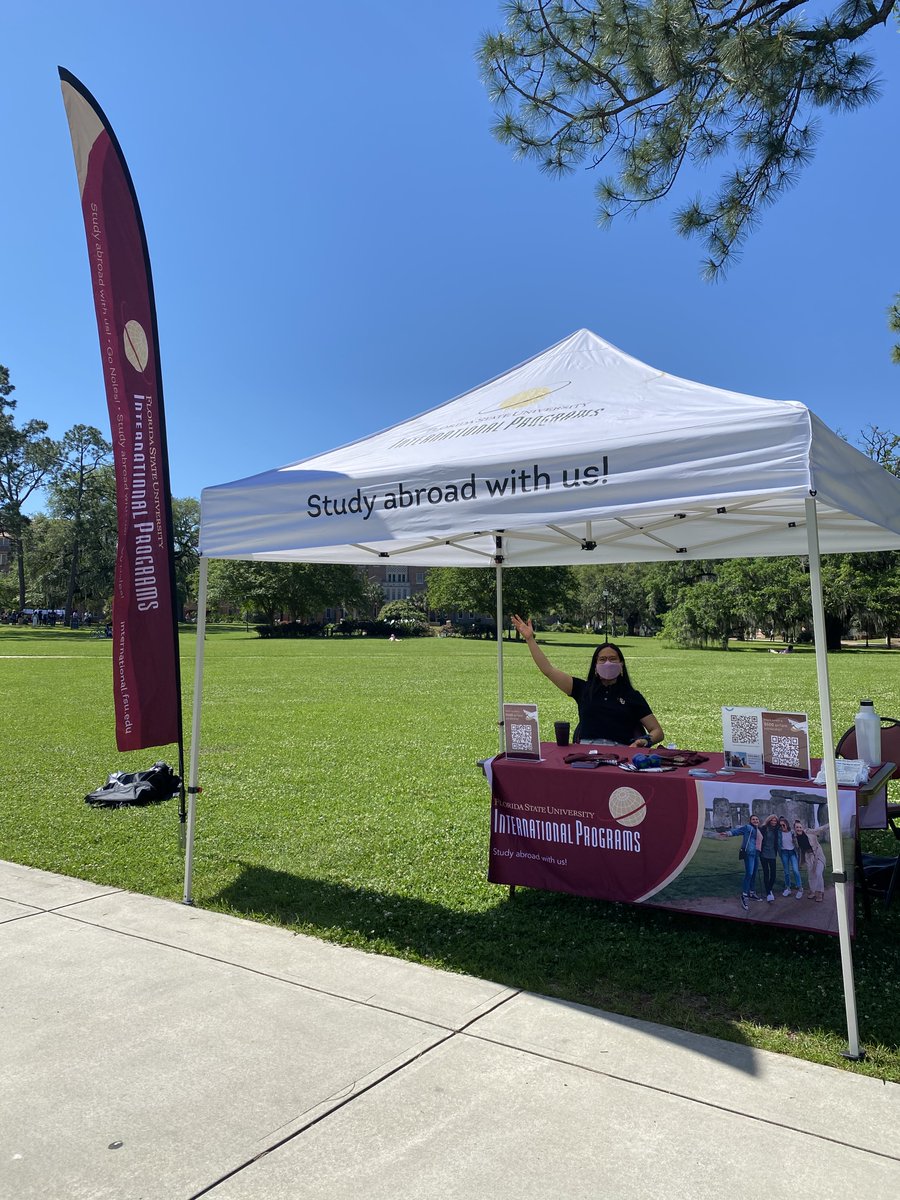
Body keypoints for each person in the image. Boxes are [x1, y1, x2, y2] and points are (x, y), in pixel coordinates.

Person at [510, 615, 663, 748]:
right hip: (585, 754)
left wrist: (643, 741)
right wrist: (530, 639)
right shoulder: (582, 689)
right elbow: (548, 670)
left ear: (621, 664)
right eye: (602, 660)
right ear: (595, 667)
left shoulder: (632, 695)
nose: (607, 663)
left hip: (620, 754)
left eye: (612, 659)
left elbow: (657, 731)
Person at [719, 814, 763, 911]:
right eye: (753, 819)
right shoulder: (747, 827)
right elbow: (737, 831)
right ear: (750, 821)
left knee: (754, 874)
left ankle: (752, 893)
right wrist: (728, 833)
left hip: (756, 854)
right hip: (749, 853)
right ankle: (744, 896)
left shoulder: (758, 830)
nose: (755, 820)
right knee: (749, 873)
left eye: (757, 819)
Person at [793, 819, 829, 902]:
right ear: (795, 829)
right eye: (797, 827)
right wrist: (800, 863)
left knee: (818, 873)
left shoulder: (808, 832)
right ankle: (813, 891)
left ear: (802, 827)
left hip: (818, 854)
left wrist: (830, 824)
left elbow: (820, 829)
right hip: (808, 857)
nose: (799, 829)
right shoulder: (795, 838)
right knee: (811, 875)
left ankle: (820, 892)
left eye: (800, 827)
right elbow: (800, 851)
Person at [777, 817, 804, 898]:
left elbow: (799, 837)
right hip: (784, 852)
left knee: (795, 870)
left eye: (783, 825)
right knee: (786, 872)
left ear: (786, 824)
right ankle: (788, 888)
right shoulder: (779, 833)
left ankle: (800, 888)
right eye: (780, 825)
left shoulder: (792, 832)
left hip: (792, 852)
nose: (782, 826)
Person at [759, 814, 781, 902]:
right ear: (769, 820)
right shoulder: (763, 828)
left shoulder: (776, 830)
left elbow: (785, 827)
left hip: (772, 854)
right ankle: (768, 893)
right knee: (766, 873)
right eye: (772, 820)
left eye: (775, 821)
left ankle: (769, 889)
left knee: (773, 874)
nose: (774, 822)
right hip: (763, 853)